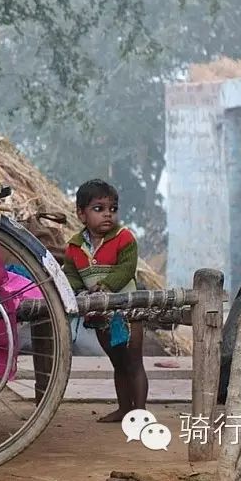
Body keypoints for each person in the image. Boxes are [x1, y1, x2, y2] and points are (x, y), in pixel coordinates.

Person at [62, 179, 148, 422]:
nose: (108, 215)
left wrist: (107, 286)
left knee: (134, 362)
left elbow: (127, 269)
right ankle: (124, 409)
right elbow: (71, 274)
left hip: (127, 311)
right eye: (98, 209)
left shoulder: (124, 238)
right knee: (117, 362)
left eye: (112, 209)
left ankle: (140, 412)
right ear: (81, 214)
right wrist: (78, 290)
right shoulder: (75, 247)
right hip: (99, 316)